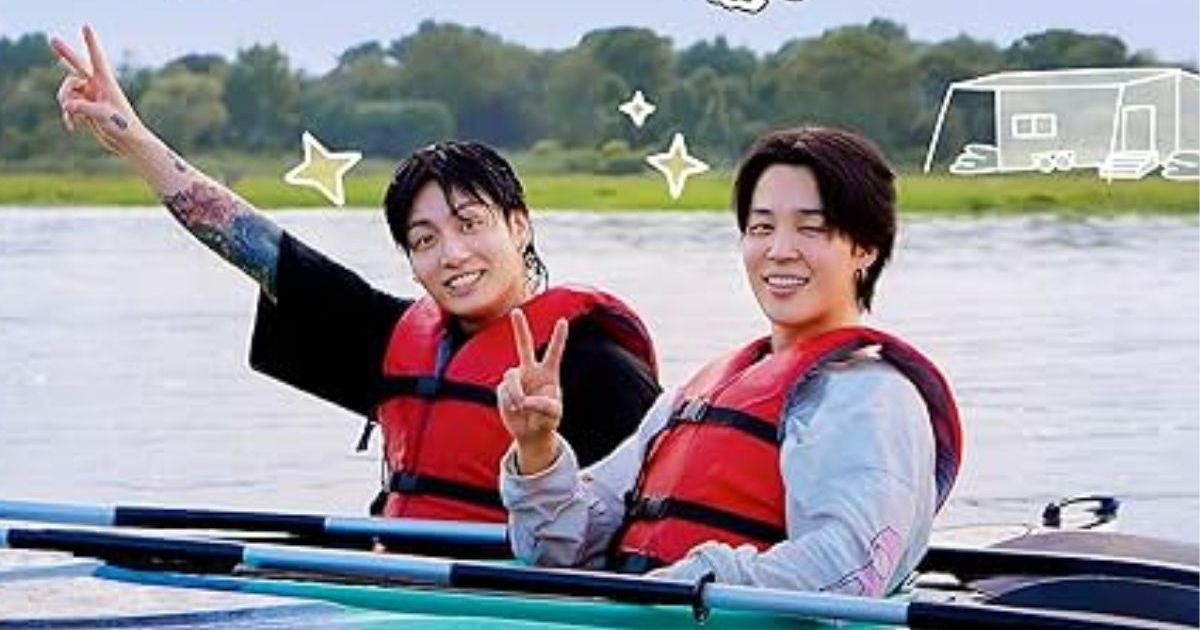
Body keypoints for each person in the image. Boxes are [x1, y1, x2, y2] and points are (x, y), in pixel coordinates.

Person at [50, 26, 661, 523]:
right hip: (390, 587)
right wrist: (135, 141)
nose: (451, 254)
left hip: (514, 604)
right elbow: (256, 246)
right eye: (424, 240)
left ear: (519, 225)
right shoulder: (391, 338)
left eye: (470, 224)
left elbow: (659, 517)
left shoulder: (600, 369)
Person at [496, 126, 963, 595]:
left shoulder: (873, 398)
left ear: (865, 248)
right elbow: (556, 550)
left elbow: (850, 569)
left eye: (811, 227)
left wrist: (691, 582)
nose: (779, 251)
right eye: (761, 227)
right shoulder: (697, 392)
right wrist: (537, 449)